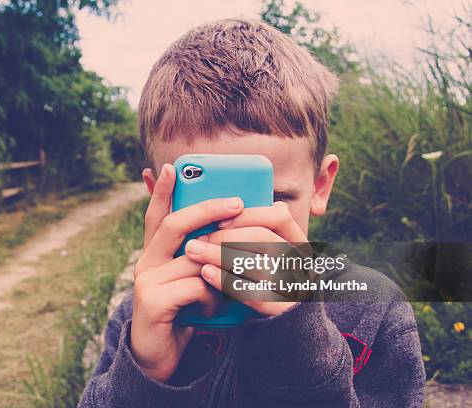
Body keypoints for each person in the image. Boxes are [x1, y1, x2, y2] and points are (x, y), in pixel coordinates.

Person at [79, 19, 425, 407]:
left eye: (274, 199)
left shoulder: (372, 309)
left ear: (321, 186)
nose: (240, 235)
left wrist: (299, 341)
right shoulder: (138, 312)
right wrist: (144, 372)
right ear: (158, 199)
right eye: (199, 209)